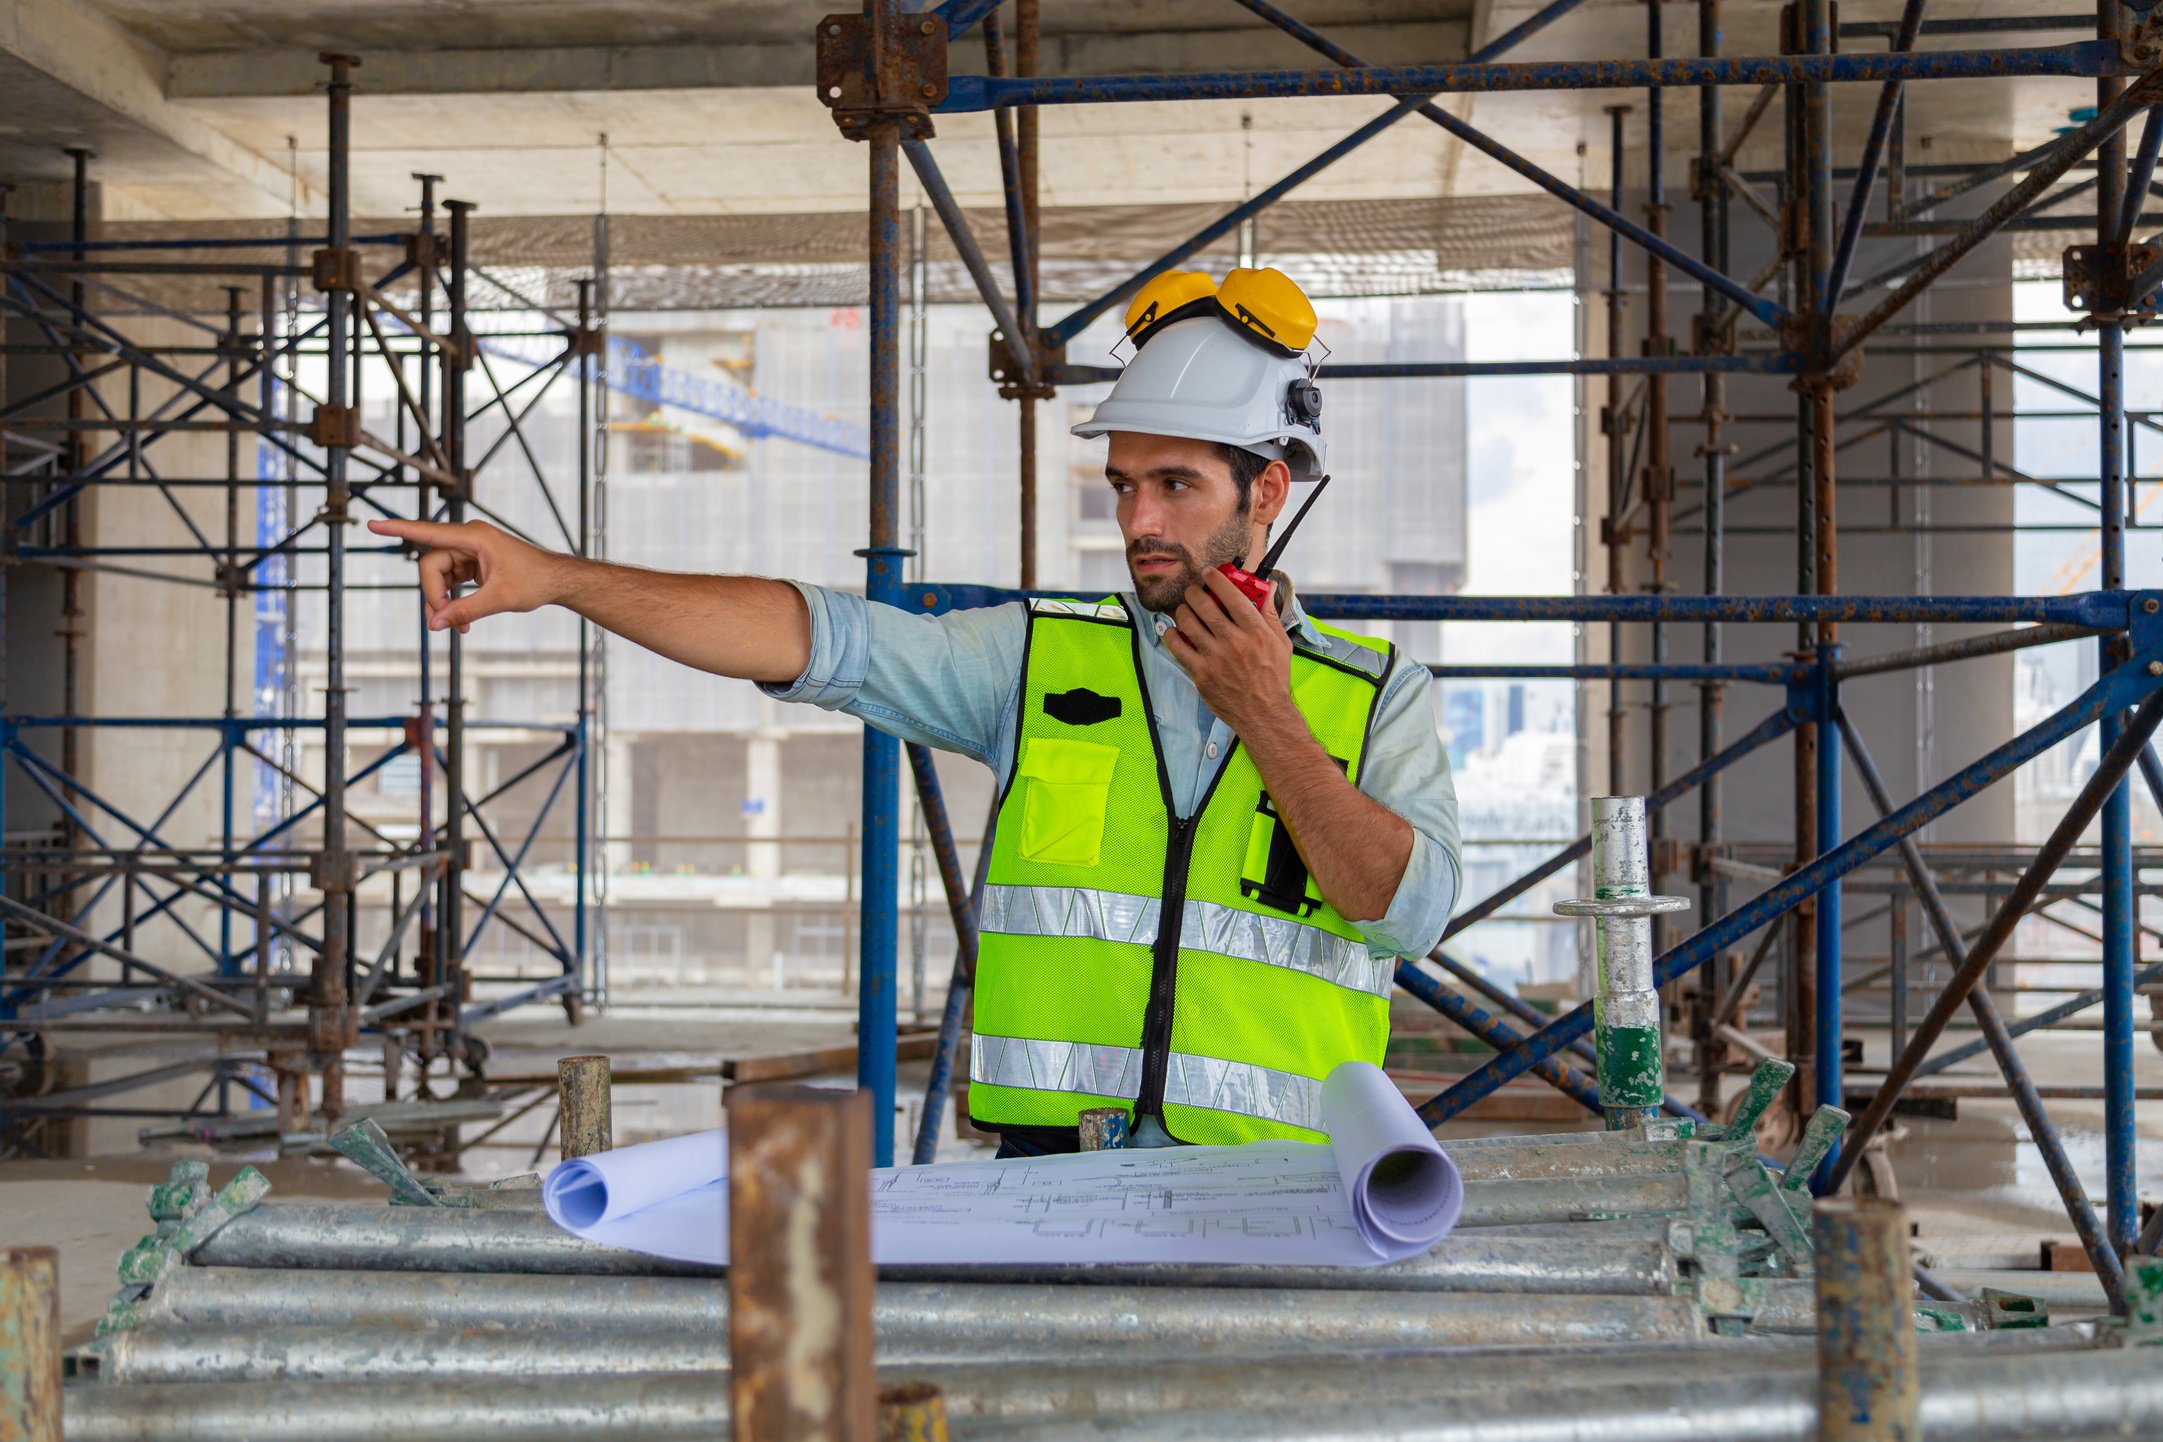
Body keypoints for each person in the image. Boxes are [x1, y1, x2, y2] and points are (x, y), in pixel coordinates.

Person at [369, 266, 1460, 1157]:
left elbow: (1402, 912)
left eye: (1176, 484)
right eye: (1123, 484)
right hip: (1050, 1185)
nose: (1139, 519)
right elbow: (818, 636)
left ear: (1265, 493)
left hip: (1281, 1201)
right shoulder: (1039, 656)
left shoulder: (1375, 698)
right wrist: (559, 577)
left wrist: (1268, 718)